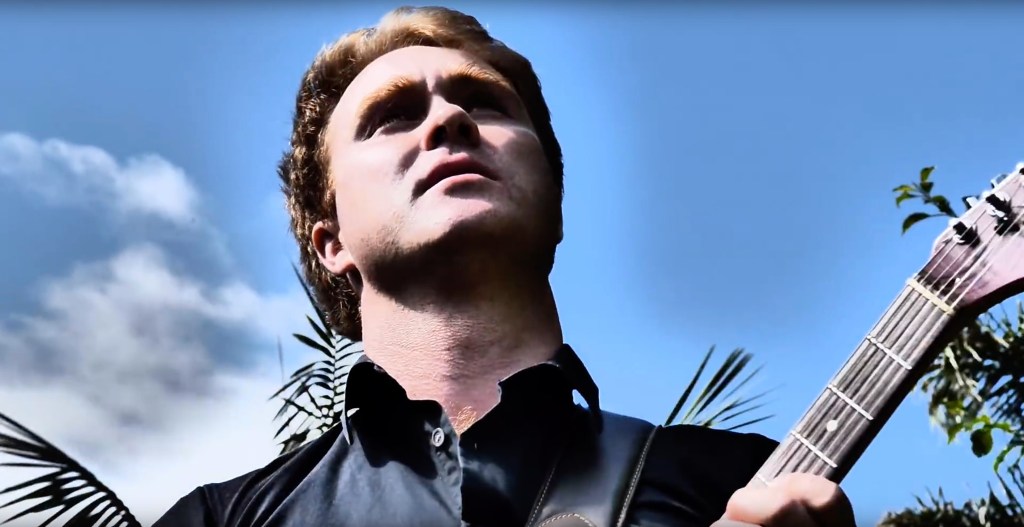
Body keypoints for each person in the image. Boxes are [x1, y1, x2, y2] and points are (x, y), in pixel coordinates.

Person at [155, 6, 855, 527]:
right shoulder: (222, 518)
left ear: (554, 203)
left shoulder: (743, 482)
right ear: (330, 240)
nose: (448, 120)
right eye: (393, 116)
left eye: (485, 104)